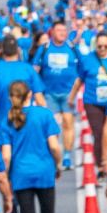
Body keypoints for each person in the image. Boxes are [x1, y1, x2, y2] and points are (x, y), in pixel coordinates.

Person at [0, 77, 62, 213]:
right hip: (44, 172)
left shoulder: (7, 121)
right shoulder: (44, 114)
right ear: (30, 95)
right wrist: (58, 164)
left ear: (10, 98)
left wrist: (5, 177)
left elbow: (6, 155)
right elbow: (54, 146)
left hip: (20, 174)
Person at [33, 20, 79, 168]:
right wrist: (36, 92)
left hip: (68, 92)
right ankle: (54, 154)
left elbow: (82, 68)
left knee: (68, 122)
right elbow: (35, 70)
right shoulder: (44, 48)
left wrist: (76, 90)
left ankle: (67, 155)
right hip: (49, 93)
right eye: (59, 31)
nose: (62, 34)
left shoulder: (72, 47)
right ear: (52, 32)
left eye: (64, 31)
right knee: (52, 125)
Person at [75, 31, 107, 156]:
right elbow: (80, 79)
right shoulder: (87, 59)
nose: (102, 49)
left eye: (105, 46)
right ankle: (101, 164)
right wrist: (71, 97)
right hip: (93, 102)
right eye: (99, 46)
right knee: (98, 133)